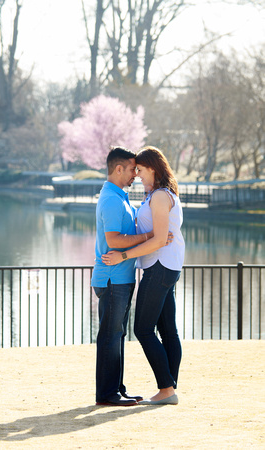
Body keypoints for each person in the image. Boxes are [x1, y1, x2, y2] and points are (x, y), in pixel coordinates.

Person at [102, 146, 185, 406]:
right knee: (168, 330)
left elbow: (160, 240)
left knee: (143, 329)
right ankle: (169, 387)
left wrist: (123, 256)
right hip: (163, 266)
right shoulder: (156, 195)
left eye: (140, 169)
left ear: (153, 168)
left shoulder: (160, 196)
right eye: (135, 169)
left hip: (159, 266)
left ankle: (166, 388)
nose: (137, 174)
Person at [91, 146, 154, 407]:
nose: (134, 175)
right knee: (110, 335)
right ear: (118, 169)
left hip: (121, 278)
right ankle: (107, 394)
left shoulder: (120, 196)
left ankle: (116, 388)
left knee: (117, 335)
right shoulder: (112, 200)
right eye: (131, 169)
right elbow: (114, 239)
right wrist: (151, 237)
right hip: (112, 279)